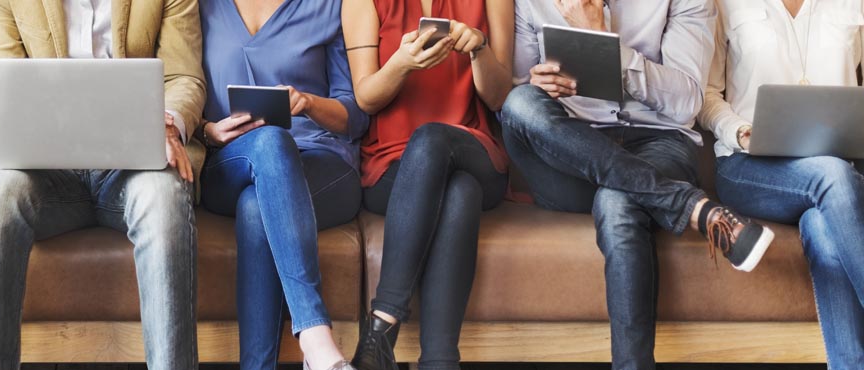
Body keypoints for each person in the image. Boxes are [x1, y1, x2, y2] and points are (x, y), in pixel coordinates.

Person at [501, 1, 776, 369]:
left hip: (657, 142)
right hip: (571, 154)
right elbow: (520, 85)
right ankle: (688, 204)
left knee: (619, 201)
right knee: (519, 102)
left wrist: (604, 44)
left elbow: (686, 102)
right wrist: (538, 82)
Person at [0, 0, 205, 368]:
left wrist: (167, 123)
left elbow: (184, 77)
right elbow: (0, 90)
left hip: (132, 166)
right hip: (50, 171)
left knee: (164, 198)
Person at [341, 0, 513, 369]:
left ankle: (380, 329)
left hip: (474, 149)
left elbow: (499, 97)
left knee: (433, 139)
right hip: (392, 165)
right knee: (460, 192)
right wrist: (401, 65)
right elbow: (366, 97)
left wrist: (479, 49)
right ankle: (440, 360)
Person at [197, 1, 367, 369]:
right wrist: (207, 130)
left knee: (257, 207)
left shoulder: (327, 7)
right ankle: (316, 339)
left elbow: (354, 116)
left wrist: (308, 104)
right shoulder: (200, 7)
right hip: (230, 162)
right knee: (271, 141)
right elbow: (180, 90)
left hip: (320, 163)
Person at [699, 0, 864, 367]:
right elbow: (706, 97)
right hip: (749, 167)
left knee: (824, 227)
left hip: (835, 173)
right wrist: (740, 132)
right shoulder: (725, 4)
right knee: (832, 176)